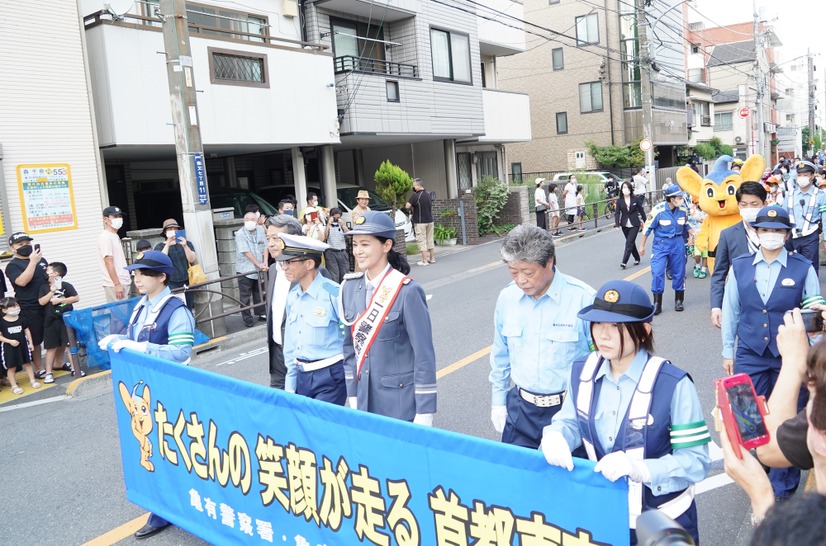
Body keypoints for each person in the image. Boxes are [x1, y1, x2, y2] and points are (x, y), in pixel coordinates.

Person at [541, 281, 711, 544]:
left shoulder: (673, 384)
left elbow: (696, 461)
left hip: (662, 523)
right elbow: (570, 421)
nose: (603, 335)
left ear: (644, 331)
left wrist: (641, 469)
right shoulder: (582, 371)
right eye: (598, 323)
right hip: (604, 517)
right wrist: (556, 435)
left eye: (616, 326)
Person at [721, 205, 821, 501]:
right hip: (749, 353)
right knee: (746, 417)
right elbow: (731, 311)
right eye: (765, 230)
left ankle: (783, 489)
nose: (772, 235)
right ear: (755, 232)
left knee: (786, 419)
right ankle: (758, 468)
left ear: (787, 234)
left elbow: (815, 316)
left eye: (778, 231)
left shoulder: (803, 267)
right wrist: (728, 351)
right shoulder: (739, 266)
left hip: (789, 357)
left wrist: (813, 359)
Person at [98, 250, 196, 540]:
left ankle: (171, 509)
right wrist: (123, 341)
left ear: (162, 277)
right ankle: (164, 507)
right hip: (148, 393)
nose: (136, 278)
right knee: (156, 450)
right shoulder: (141, 306)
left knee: (173, 451)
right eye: (135, 273)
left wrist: (141, 348)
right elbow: (136, 338)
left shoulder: (176, 310)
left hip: (172, 392)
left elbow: (181, 352)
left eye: (143, 273)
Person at [490, 225, 595, 449]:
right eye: (513, 272)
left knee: (566, 481)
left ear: (549, 262)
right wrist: (498, 401)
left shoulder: (583, 300)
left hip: (570, 412)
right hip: (521, 410)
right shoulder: (507, 298)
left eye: (528, 272)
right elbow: (501, 354)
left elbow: (601, 362)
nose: (521, 280)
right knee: (516, 479)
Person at [339, 211, 436, 424]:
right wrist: (353, 394)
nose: (358, 252)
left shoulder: (407, 291)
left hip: (399, 402)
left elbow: (423, 355)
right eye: (355, 245)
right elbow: (349, 350)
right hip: (364, 397)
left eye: (365, 244)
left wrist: (425, 409)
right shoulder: (349, 288)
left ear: (386, 246)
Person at [279, 233, 346, 405]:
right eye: (283, 262)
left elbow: (351, 339)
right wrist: (290, 385)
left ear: (309, 264)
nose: (284, 267)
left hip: (331, 375)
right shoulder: (292, 296)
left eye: (289, 262)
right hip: (302, 376)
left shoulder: (334, 294)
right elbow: (291, 345)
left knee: (322, 428)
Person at [709, 182, 767, 328]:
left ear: (764, 204)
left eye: (754, 204)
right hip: (743, 305)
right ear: (738, 205)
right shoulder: (728, 235)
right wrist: (716, 307)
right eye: (744, 204)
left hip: (774, 303)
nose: (749, 209)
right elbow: (719, 274)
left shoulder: (777, 232)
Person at [638, 184, 694, 314]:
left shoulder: (683, 211)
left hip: (678, 243)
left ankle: (679, 300)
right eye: (679, 197)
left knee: (679, 272)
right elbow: (647, 229)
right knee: (657, 272)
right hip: (661, 245)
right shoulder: (658, 210)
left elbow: (686, 225)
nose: (681, 199)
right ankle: (657, 303)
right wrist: (642, 246)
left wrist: (692, 235)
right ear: (671, 199)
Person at [264, 215, 304, 390]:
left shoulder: (310, 270)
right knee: (278, 407)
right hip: (277, 353)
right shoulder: (273, 270)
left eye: (276, 238)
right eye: (268, 239)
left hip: (302, 357)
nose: (271, 244)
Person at [5, 232, 49, 377]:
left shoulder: (42, 260)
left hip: (47, 303)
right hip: (29, 307)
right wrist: (32, 262)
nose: (25, 246)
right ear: (12, 248)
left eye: (27, 243)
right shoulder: (12, 266)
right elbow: (22, 282)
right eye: (20, 244)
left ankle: (57, 362)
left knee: (54, 335)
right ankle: (38, 368)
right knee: (35, 340)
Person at [37, 262, 79, 384]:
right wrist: (51, 292)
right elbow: (41, 302)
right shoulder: (44, 287)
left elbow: (76, 298)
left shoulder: (66, 285)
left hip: (65, 320)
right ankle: (48, 372)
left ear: (55, 273)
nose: (45, 272)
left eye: (47, 270)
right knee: (51, 347)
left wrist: (61, 300)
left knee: (69, 345)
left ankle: (74, 368)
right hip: (50, 321)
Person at [784, 161, 826, 275]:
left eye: (805, 175)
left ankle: (812, 292)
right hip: (791, 236)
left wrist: (825, 239)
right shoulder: (790, 194)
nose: (802, 178)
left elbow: (825, 218)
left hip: (810, 236)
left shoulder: (821, 195)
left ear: (812, 176)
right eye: (799, 175)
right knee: (790, 268)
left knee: (810, 268)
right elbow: (783, 216)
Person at [154, 218, 197, 309]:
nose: (173, 231)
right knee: (176, 307)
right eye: (170, 229)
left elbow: (192, 259)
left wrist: (185, 246)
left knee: (188, 306)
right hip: (171, 282)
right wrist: (168, 244)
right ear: (165, 232)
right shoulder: (160, 246)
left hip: (187, 280)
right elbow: (161, 260)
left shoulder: (187, 243)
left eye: (175, 229)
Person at [235, 210, 268, 327]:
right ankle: (247, 319)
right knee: (245, 296)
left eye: (252, 220)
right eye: (247, 220)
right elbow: (246, 252)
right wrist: (259, 264)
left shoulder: (260, 230)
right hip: (245, 269)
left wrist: (264, 263)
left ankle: (262, 314)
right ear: (244, 221)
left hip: (259, 268)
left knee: (259, 292)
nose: (250, 222)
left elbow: (265, 247)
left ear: (257, 221)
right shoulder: (240, 234)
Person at [0, 297, 38, 395]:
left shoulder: (22, 318)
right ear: (4, 310)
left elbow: (27, 330)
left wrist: (31, 343)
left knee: (28, 363)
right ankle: (14, 386)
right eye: (13, 307)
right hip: (9, 348)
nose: (16, 308)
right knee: (11, 367)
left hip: (23, 345)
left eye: (17, 305)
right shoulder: (2, 322)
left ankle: (32, 380)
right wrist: (9, 341)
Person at [98, 205, 130, 302]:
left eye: (120, 216)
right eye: (115, 217)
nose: (119, 219)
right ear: (106, 220)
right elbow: (108, 262)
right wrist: (117, 284)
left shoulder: (114, 235)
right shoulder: (105, 237)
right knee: (120, 314)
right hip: (115, 284)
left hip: (122, 281)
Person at [614, 180, 646, 269]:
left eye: (627, 187)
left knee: (629, 243)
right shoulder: (619, 200)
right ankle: (637, 257)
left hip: (635, 223)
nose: (625, 189)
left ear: (630, 189)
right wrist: (617, 224)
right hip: (624, 224)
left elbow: (641, 211)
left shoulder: (635, 199)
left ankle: (624, 262)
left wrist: (646, 222)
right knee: (631, 242)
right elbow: (617, 213)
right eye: (623, 188)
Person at [405, 178, 436, 267]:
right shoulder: (428, 194)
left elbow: (407, 206)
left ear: (418, 186)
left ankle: (424, 260)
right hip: (430, 221)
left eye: (414, 186)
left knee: (421, 240)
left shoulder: (416, 195)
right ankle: (432, 258)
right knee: (430, 239)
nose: (413, 187)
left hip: (420, 222)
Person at [323, 207, 349, 282]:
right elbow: (325, 237)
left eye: (338, 217)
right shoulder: (326, 225)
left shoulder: (341, 225)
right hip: (331, 252)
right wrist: (328, 224)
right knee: (334, 274)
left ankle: (344, 290)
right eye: (335, 217)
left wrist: (343, 226)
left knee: (344, 274)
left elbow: (349, 236)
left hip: (342, 251)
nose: (336, 219)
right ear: (330, 216)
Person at [687, 198, 708, 279]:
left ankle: (703, 270)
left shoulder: (708, 213)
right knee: (697, 254)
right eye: (698, 203)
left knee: (705, 255)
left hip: (706, 237)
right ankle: (697, 266)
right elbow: (689, 224)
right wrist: (690, 238)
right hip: (697, 237)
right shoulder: (693, 212)